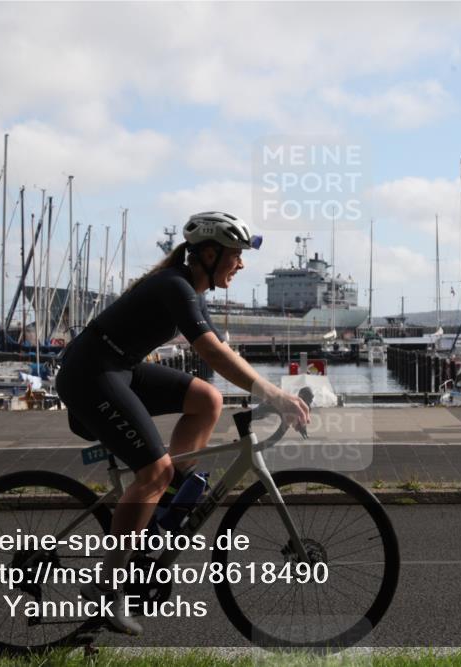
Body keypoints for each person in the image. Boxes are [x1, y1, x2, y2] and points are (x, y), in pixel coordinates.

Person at [55, 211, 310, 635]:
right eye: (236, 255)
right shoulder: (174, 285)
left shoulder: (189, 288)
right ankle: (105, 591)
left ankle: (160, 512)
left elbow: (224, 355)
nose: (242, 264)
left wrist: (270, 392)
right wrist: (275, 395)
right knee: (152, 470)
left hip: (118, 366)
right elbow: (211, 353)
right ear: (208, 254)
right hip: (90, 373)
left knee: (207, 400)